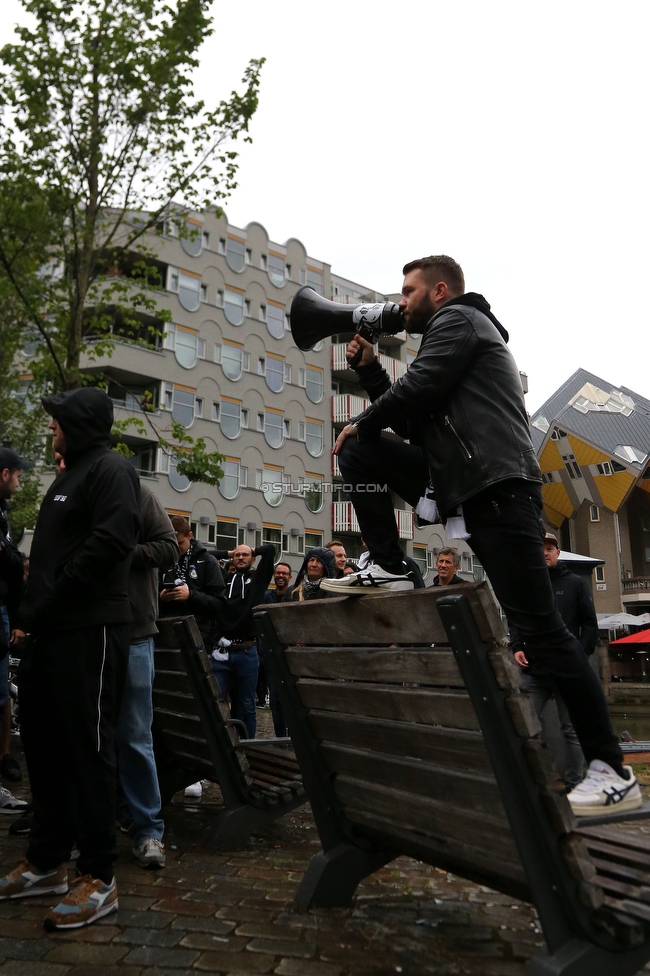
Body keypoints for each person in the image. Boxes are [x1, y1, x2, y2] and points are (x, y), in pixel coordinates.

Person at [321, 254, 638, 817]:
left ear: (440, 291)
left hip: (498, 487)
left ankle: (611, 768)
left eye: (409, 291)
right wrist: (371, 373)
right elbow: (418, 421)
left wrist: (365, 411)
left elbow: (416, 392)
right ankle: (390, 563)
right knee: (363, 449)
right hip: (467, 486)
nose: (401, 301)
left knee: (543, 632)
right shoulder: (450, 337)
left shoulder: (460, 322)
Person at [0, 388, 140, 929]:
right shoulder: (67, 478)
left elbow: (109, 545)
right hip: (49, 635)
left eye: (57, 420)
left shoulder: (112, 471)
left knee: (89, 750)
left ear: (79, 423)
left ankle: (98, 876)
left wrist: (52, 599)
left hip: (91, 631)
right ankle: (46, 862)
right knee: (46, 746)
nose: (50, 428)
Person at [116, 484, 179, 867]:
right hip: (88, 630)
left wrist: (121, 554)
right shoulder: (72, 491)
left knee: (136, 734)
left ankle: (148, 829)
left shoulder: (137, 493)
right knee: (93, 732)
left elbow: (168, 547)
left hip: (134, 632)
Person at [510, 533, 598, 792]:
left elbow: (589, 624)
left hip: (567, 672)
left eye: (550, 548)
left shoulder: (575, 584)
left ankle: (574, 785)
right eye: (541, 549)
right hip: (534, 670)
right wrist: (516, 647)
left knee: (571, 730)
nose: (545, 553)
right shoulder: (529, 585)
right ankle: (535, 782)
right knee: (526, 727)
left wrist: (580, 655)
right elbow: (516, 619)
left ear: (558, 553)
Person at [159, 515, 225, 799]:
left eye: (179, 541)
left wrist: (190, 596)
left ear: (189, 535)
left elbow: (220, 604)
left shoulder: (206, 562)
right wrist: (161, 596)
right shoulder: (162, 559)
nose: (175, 546)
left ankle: (193, 773)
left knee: (194, 707)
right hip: (164, 644)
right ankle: (168, 767)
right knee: (167, 709)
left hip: (196, 642)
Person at [209, 544, 275, 739]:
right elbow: (208, 556)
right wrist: (228, 552)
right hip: (221, 652)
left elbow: (270, 550)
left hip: (246, 651)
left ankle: (248, 746)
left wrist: (252, 550)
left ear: (253, 559)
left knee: (246, 704)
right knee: (216, 700)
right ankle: (221, 744)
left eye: (245, 555)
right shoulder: (224, 578)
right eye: (237, 555)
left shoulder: (257, 579)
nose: (240, 558)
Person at [0, 448, 29, 808]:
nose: (19, 483)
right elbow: (10, 565)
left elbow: (10, 565)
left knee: (2, 695)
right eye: (19, 476)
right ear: (4, 473)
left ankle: (4, 756)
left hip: (4, 611)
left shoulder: (3, 515)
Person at [260, 562, 293, 737]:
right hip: (271, 657)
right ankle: (281, 736)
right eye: (277, 573)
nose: (280, 576)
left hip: (290, 657)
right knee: (275, 700)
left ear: (290, 577)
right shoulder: (266, 597)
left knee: (291, 701)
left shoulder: (294, 596)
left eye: (284, 573)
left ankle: (292, 736)